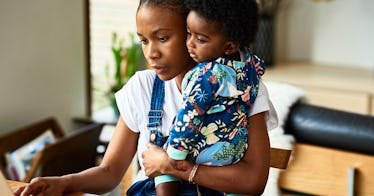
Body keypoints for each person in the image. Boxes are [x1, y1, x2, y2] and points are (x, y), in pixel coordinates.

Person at [15, 0, 275, 195]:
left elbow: (253, 181)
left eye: (162, 38)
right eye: (143, 40)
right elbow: (109, 172)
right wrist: (62, 182)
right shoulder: (143, 87)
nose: (151, 53)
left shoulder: (241, 88)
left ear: (191, 30)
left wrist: (171, 167)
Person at [152, 0, 266, 195]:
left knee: (162, 150)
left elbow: (189, 116)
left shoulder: (205, 74)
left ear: (229, 46)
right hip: (231, 157)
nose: (190, 44)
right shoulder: (252, 68)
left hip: (200, 152)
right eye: (189, 33)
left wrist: (173, 159)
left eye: (201, 39)